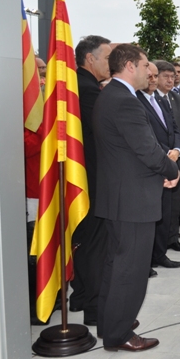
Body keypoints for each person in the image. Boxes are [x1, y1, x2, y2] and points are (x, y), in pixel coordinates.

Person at [94, 44, 179, 352]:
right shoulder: (125, 101)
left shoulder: (112, 96)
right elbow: (145, 148)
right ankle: (119, 335)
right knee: (130, 268)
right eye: (145, 67)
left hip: (119, 196)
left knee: (116, 264)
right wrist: (171, 169)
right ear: (130, 66)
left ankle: (110, 323)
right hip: (132, 199)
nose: (149, 73)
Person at [71, 35, 112, 325]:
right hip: (92, 179)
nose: (111, 63)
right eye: (107, 57)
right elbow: (104, 136)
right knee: (95, 244)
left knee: (83, 241)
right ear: (90, 59)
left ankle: (81, 296)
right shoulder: (87, 91)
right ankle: (93, 307)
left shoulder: (78, 85)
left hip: (81, 178)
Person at [137, 63, 180, 271]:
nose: (154, 80)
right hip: (152, 164)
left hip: (169, 159)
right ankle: (145, 261)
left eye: (157, 76)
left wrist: (176, 149)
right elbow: (147, 135)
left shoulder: (161, 100)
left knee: (165, 211)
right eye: (151, 76)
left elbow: (174, 128)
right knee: (149, 216)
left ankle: (160, 254)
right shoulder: (136, 101)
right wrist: (167, 153)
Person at [154, 60, 180, 253]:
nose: (171, 80)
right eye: (166, 76)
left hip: (178, 157)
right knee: (160, 204)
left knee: (175, 204)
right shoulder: (148, 99)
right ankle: (159, 245)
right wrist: (166, 152)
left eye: (173, 76)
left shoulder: (177, 99)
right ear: (155, 77)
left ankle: (172, 237)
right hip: (159, 158)